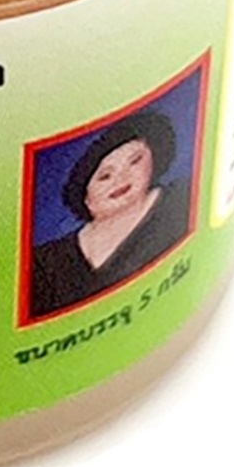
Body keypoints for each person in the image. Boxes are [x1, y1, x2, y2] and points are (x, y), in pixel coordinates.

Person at [28, 110, 191, 319]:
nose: (121, 178)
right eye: (105, 176)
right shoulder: (45, 263)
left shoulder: (182, 198)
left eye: (135, 160)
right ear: (86, 198)